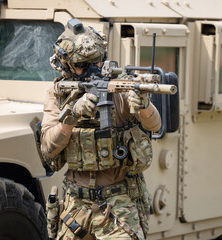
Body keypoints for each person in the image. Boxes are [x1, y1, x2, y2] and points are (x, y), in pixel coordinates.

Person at [41, 19, 161, 240]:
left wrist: (144, 105)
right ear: (66, 66)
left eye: (96, 62)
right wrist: (72, 115)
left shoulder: (120, 85)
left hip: (118, 202)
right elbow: (48, 147)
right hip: (76, 202)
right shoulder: (58, 93)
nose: (91, 70)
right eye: (82, 65)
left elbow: (155, 125)